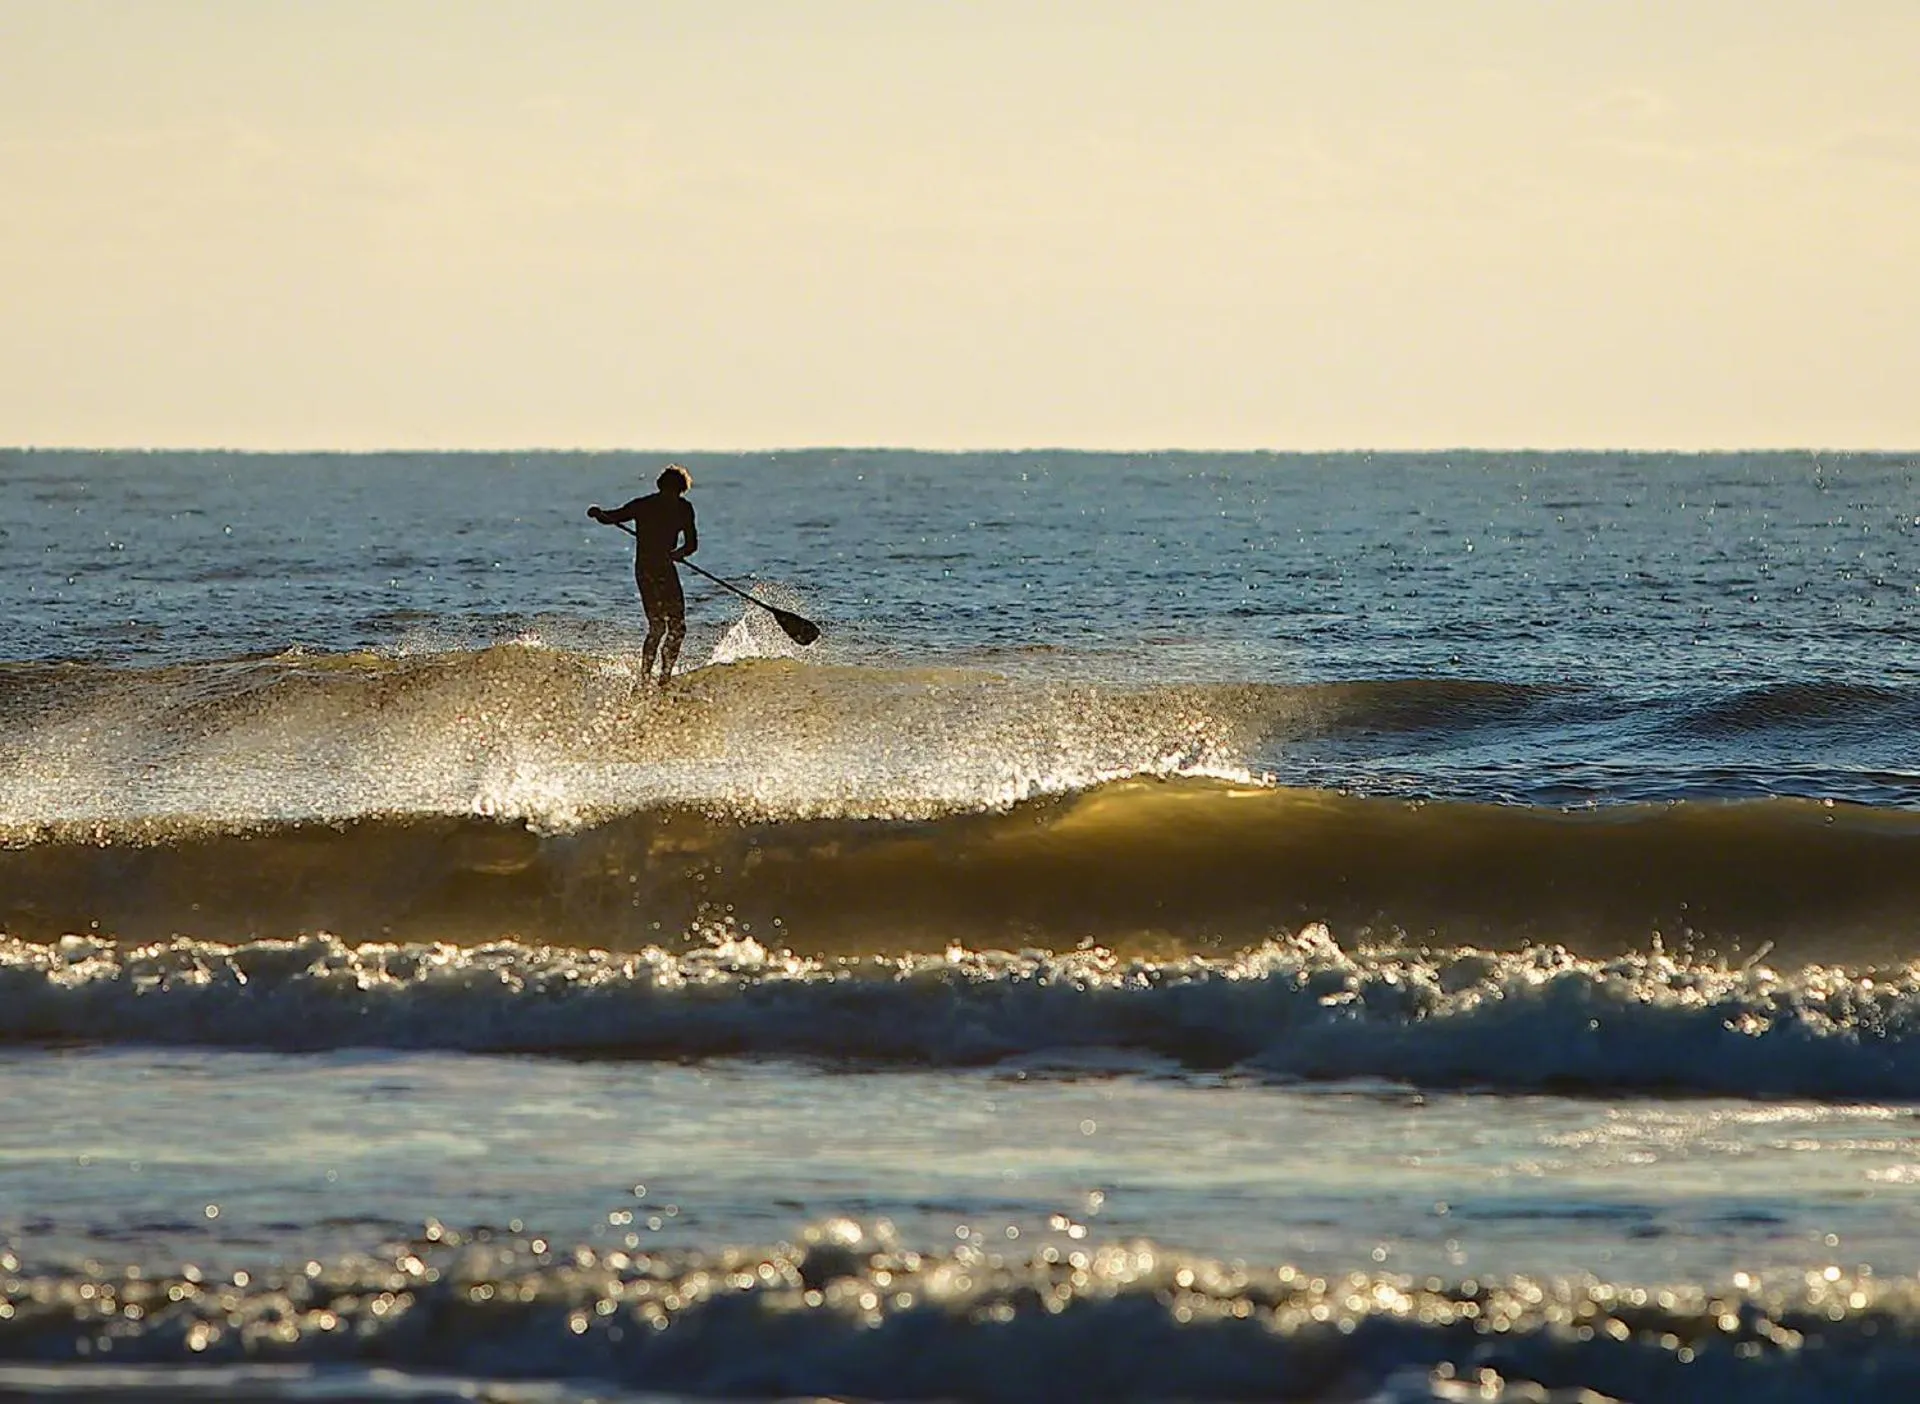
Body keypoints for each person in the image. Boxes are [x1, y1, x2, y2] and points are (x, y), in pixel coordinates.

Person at [588, 464, 698, 683]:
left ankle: (662, 675)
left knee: (673, 626)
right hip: (652, 570)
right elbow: (613, 517)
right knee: (663, 626)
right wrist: (599, 514)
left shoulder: (670, 507)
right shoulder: (655, 506)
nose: (670, 496)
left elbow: (691, 545)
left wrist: (677, 555)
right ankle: (649, 675)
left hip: (658, 569)